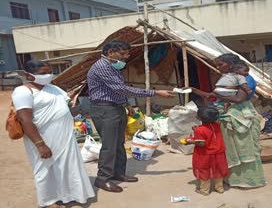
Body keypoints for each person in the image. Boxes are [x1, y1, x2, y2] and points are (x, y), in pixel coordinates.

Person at [87, 41, 175, 193]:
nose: (126, 57)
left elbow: (116, 91)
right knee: (109, 146)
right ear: (110, 53)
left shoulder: (112, 67)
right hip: (105, 110)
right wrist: (155, 92)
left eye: (127, 54)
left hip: (116, 108)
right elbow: (121, 88)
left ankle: (118, 173)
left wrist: (126, 105)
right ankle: (103, 179)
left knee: (119, 143)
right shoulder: (102, 67)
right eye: (122, 54)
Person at [12, 59, 95, 208]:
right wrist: (40, 144)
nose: (48, 75)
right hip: (42, 138)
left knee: (68, 166)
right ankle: (49, 201)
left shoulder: (53, 88)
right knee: (45, 169)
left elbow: (67, 105)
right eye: (43, 73)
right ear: (28, 75)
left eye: (49, 72)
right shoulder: (23, 91)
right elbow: (25, 120)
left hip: (64, 137)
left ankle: (71, 195)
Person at [188, 53, 266, 189]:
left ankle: (248, 180)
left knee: (243, 147)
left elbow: (239, 99)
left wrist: (220, 97)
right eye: (217, 65)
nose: (218, 68)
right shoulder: (228, 78)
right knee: (231, 148)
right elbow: (212, 95)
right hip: (229, 114)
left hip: (241, 116)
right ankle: (232, 179)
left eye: (221, 64)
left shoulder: (245, 79)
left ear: (231, 64)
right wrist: (193, 90)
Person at [182, 106, 229, 196]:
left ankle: (205, 190)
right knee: (218, 170)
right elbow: (209, 133)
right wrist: (196, 129)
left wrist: (189, 141)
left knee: (204, 171)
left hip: (205, 154)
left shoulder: (200, 130)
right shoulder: (217, 125)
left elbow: (202, 143)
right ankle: (220, 188)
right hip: (219, 153)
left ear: (200, 118)